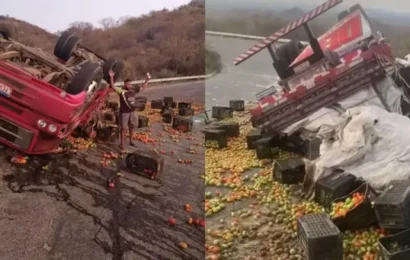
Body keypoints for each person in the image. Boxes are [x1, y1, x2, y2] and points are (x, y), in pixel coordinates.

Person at [108, 70, 151, 150]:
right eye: (128, 84)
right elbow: (113, 86)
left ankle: (131, 141)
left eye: (131, 84)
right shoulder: (121, 91)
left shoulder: (133, 90)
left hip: (133, 112)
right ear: (125, 84)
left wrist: (147, 80)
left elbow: (142, 87)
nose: (130, 85)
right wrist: (111, 77)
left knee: (132, 126)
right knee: (123, 128)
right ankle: (122, 144)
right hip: (124, 112)